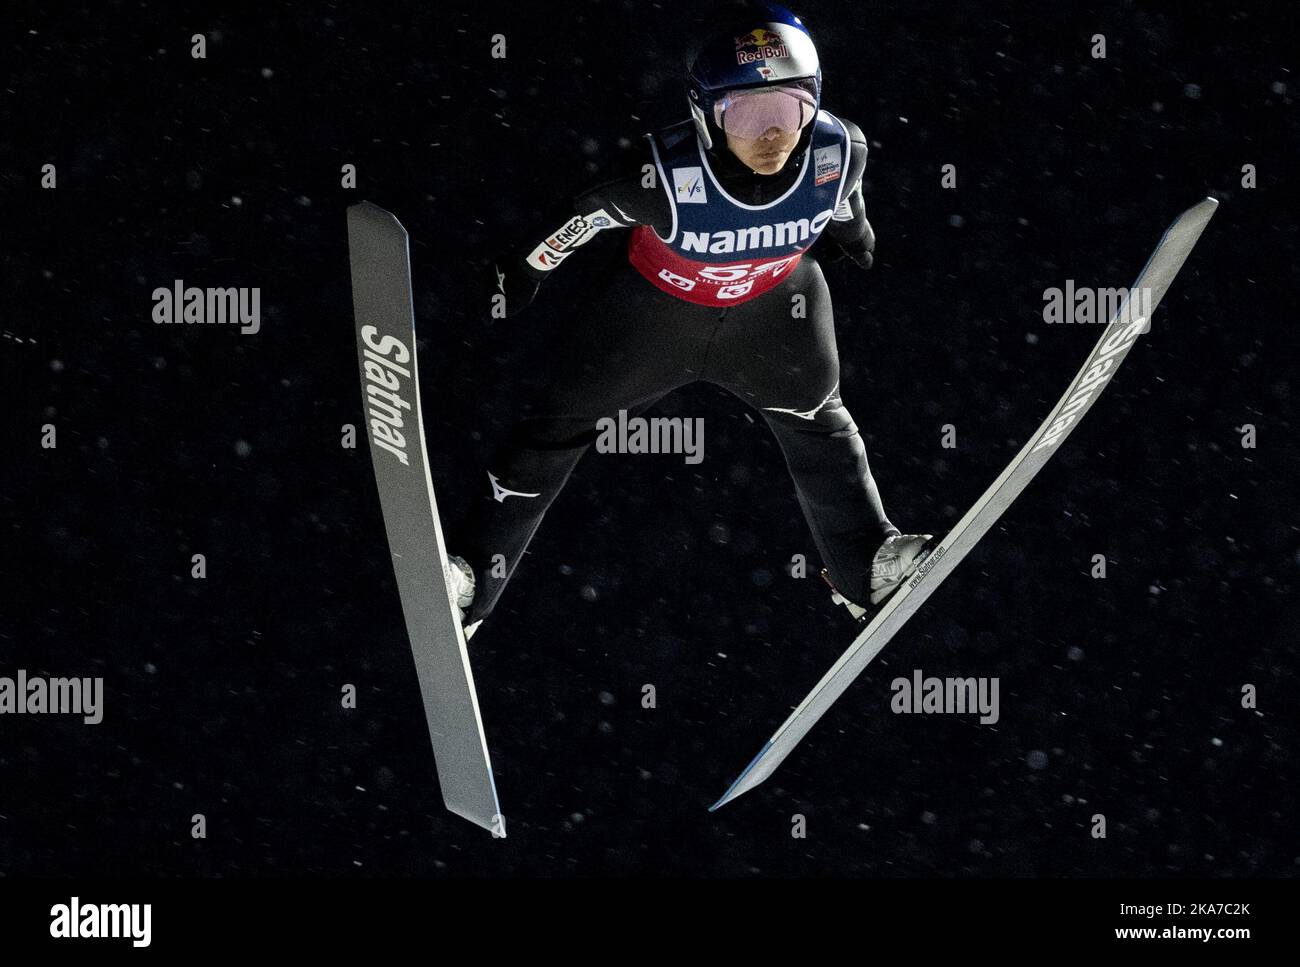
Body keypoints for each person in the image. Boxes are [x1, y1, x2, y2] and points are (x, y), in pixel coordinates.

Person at [447, 1, 933, 640]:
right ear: (706, 115)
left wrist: (856, 235)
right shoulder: (661, 175)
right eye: (748, 114)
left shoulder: (838, 150)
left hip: (774, 321)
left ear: (813, 104)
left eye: (788, 111)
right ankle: (472, 582)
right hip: (653, 323)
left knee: (822, 427)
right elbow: (582, 217)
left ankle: (866, 566)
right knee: (551, 431)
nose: (772, 135)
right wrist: (526, 271)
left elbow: (844, 199)